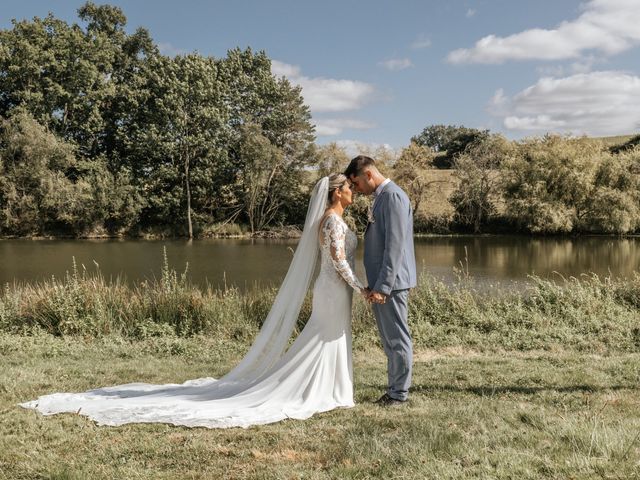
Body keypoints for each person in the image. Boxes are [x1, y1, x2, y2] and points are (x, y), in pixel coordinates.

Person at [20, 174, 368, 428]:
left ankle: (334, 387)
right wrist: (361, 286)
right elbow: (338, 261)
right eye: (350, 188)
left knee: (328, 337)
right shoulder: (333, 222)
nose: (354, 192)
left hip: (332, 289)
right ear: (337, 192)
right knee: (324, 337)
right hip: (335, 287)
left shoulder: (331, 219)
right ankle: (325, 389)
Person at [345, 155, 417, 407]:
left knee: (397, 338)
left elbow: (395, 246)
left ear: (368, 174)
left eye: (356, 183)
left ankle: (399, 394)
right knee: (390, 340)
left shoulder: (393, 197)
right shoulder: (381, 197)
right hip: (383, 282)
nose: (356, 189)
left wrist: (384, 287)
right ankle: (395, 389)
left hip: (392, 283)